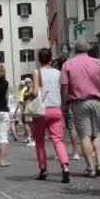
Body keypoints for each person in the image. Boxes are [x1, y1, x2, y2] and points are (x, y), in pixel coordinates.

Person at [61, 38, 100, 178]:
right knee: (96, 133)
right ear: (87, 49)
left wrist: (64, 103)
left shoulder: (68, 64)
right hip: (97, 100)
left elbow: (65, 86)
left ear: (75, 50)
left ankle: (90, 167)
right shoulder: (98, 63)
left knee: (85, 136)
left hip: (79, 102)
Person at [30, 48, 70, 183]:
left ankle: (43, 169)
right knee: (57, 140)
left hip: (42, 110)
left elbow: (35, 93)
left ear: (39, 59)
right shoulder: (58, 73)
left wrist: (29, 94)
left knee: (40, 141)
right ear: (50, 58)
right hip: (56, 109)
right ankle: (65, 166)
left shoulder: (37, 72)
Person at [55, 56, 81, 161]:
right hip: (77, 100)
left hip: (64, 102)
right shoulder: (73, 71)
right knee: (80, 127)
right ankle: (78, 152)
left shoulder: (59, 74)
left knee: (66, 128)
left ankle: (64, 152)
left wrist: (63, 105)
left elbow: (61, 89)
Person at [16, 78, 35, 146]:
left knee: (31, 124)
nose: (28, 83)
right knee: (28, 124)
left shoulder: (33, 90)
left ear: (32, 82)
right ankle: (31, 138)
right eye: (26, 82)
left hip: (32, 109)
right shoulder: (25, 90)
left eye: (29, 82)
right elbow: (22, 101)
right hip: (27, 109)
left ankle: (31, 139)